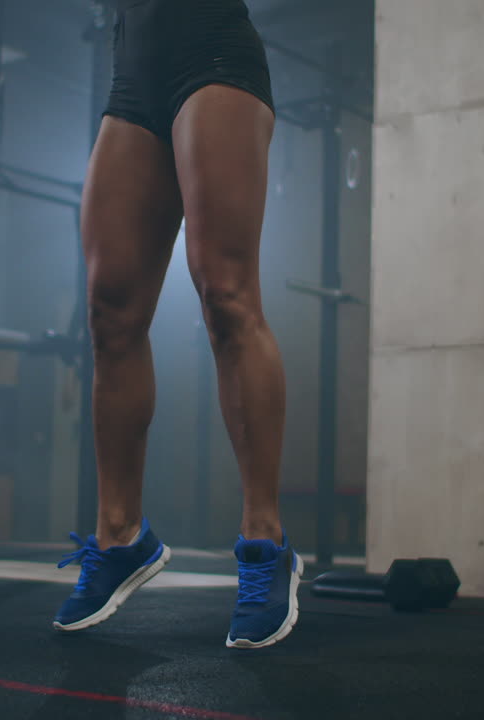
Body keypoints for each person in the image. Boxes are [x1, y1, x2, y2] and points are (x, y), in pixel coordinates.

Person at [53, 0, 299, 649]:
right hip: (133, 69)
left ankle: (265, 541)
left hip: (212, 49)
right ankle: (121, 537)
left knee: (225, 291)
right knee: (110, 309)